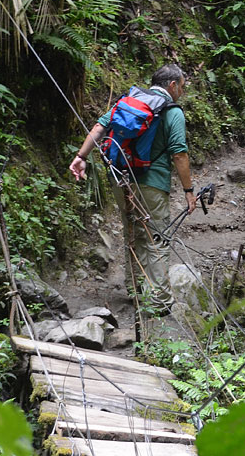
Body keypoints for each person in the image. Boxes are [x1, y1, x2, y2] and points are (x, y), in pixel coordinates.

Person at [69, 63, 196, 315]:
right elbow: (179, 154)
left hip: (120, 179)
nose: (182, 91)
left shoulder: (129, 100)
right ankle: (158, 302)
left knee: (133, 233)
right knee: (157, 238)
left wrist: (81, 157)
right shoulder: (172, 111)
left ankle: (135, 290)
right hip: (152, 183)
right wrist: (189, 190)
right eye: (181, 86)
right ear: (172, 85)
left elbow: (99, 128)